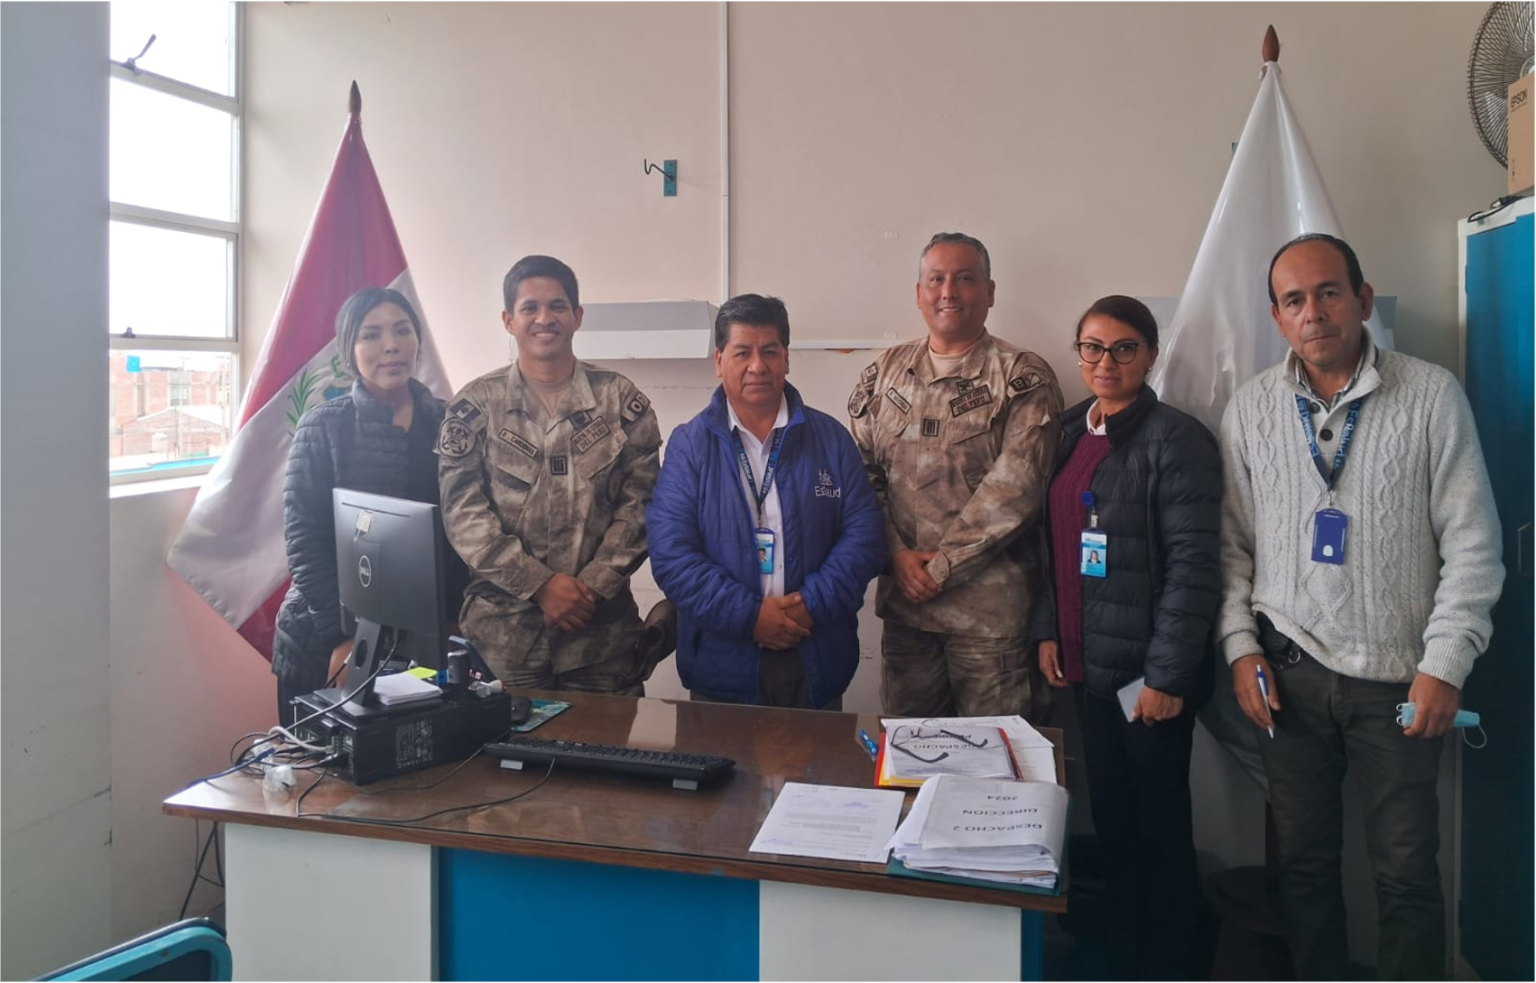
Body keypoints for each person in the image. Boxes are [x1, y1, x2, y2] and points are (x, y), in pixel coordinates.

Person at [1220, 233, 1503, 983]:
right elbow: (1230, 549)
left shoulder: (1432, 394)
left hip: (1398, 682)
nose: (1313, 312)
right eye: (1294, 300)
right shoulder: (1250, 409)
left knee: (1406, 873)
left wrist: (1445, 664)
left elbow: (1474, 546)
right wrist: (1240, 649)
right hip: (1286, 674)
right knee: (1305, 867)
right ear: (1278, 317)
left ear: (1363, 299)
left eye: (1328, 292)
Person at [1028, 295, 1220, 983]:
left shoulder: (1177, 439)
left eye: (1123, 348)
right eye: (1092, 347)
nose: (1105, 362)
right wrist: (1047, 629)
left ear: (1151, 354)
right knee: (1111, 817)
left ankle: (1172, 960)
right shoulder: (1068, 430)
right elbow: (1050, 545)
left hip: (1147, 678)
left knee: (1158, 825)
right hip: (1088, 668)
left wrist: (1166, 677)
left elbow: (1195, 567)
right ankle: (1125, 950)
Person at [849, 232, 1064, 719]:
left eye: (965, 279)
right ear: (918, 293)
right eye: (936, 279)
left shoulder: (1021, 377)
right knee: (910, 752)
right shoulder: (883, 373)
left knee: (996, 759)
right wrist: (895, 554)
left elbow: (1017, 490)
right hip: (907, 615)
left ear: (989, 292)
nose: (948, 292)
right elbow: (859, 477)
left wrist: (940, 568)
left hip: (990, 621)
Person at [438, 255, 674, 694]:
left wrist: (590, 588)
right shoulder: (474, 407)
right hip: (505, 642)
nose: (544, 318)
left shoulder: (620, 401)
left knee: (607, 742)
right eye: (530, 308)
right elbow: (463, 516)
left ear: (577, 316)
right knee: (503, 743)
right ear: (508, 321)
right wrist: (541, 586)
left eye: (557, 306)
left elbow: (643, 507)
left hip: (601, 639)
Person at [648, 294, 885, 709]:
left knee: (817, 753)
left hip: (815, 653)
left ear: (786, 359)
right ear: (719, 361)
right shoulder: (690, 446)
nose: (757, 366)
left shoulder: (830, 439)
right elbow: (672, 555)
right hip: (723, 663)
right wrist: (751, 617)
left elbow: (863, 539)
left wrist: (809, 606)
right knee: (721, 755)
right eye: (743, 352)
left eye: (769, 351)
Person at [272, 286, 464, 723]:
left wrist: (454, 621)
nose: (391, 345)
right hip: (324, 640)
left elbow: (463, 530)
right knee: (321, 763)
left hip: (427, 637)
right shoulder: (323, 427)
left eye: (402, 330)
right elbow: (305, 543)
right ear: (349, 350)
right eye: (371, 334)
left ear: (418, 341)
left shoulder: (450, 422)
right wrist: (346, 640)